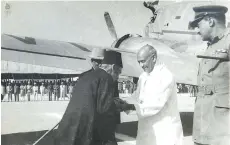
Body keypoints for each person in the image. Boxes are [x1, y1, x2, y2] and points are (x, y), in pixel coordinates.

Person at [54, 50, 130, 145]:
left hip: (68, 130)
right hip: (85, 131)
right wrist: (122, 106)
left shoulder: (87, 76)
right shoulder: (106, 77)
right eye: (118, 73)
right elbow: (104, 108)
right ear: (113, 67)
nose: (118, 77)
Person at [189, 5, 230, 145]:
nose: (197, 30)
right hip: (204, 122)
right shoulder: (210, 46)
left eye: (198, 24)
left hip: (222, 127)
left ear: (210, 21)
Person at [131, 44, 183, 145]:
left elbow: (154, 104)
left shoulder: (165, 76)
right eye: (139, 62)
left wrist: (130, 106)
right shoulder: (143, 76)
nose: (141, 65)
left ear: (153, 58)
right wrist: (123, 101)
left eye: (143, 61)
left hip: (163, 132)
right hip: (146, 131)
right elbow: (137, 97)